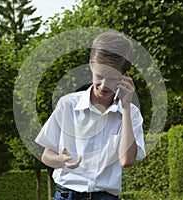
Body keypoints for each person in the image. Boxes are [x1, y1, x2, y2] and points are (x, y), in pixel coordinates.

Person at [35, 31, 145, 200]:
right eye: (99, 76)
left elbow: (126, 161)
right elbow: (46, 155)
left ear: (126, 75)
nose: (104, 85)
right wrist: (61, 160)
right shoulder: (67, 105)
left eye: (112, 79)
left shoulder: (131, 114)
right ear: (91, 65)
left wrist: (126, 109)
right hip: (67, 195)